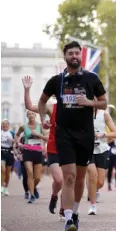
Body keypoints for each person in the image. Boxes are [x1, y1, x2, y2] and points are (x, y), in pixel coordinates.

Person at [38, 41, 107, 231]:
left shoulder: (91, 79)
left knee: (79, 178)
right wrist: (44, 118)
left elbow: (104, 103)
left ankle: (75, 212)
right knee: (69, 177)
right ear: (65, 56)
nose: (74, 56)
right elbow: (42, 101)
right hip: (64, 134)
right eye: (71, 54)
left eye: (77, 53)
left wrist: (89, 103)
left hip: (85, 135)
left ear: (81, 55)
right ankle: (68, 218)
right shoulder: (56, 81)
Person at [22, 75, 65, 218]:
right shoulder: (51, 108)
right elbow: (29, 106)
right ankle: (54, 196)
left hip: (71, 146)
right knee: (59, 180)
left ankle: (65, 210)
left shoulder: (77, 107)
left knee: (68, 180)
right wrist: (27, 90)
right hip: (54, 147)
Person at [86, 107, 116, 215]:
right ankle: (93, 206)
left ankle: (93, 190)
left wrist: (103, 135)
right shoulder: (82, 113)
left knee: (100, 182)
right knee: (92, 174)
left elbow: (115, 133)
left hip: (102, 149)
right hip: (87, 149)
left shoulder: (104, 114)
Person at [14, 111, 48, 203]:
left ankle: (34, 187)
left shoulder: (40, 126)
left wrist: (38, 135)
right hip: (27, 151)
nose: (31, 115)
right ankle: (32, 195)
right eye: (29, 114)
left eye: (32, 114)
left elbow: (46, 137)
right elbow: (17, 135)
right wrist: (18, 143)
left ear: (35, 115)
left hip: (38, 152)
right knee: (29, 172)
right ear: (27, 116)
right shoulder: (23, 126)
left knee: (37, 177)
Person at [1, 120, 15, 196]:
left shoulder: (11, 133)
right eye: (3, 124)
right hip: (1, 152)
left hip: (9, 153)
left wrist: (13, 141)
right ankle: (1, 187)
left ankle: (6, 188)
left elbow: (16, 143)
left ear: (8, 125)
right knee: (2, 169)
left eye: (6, 124)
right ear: (1, 125)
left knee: (7, 172)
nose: (4, 125)